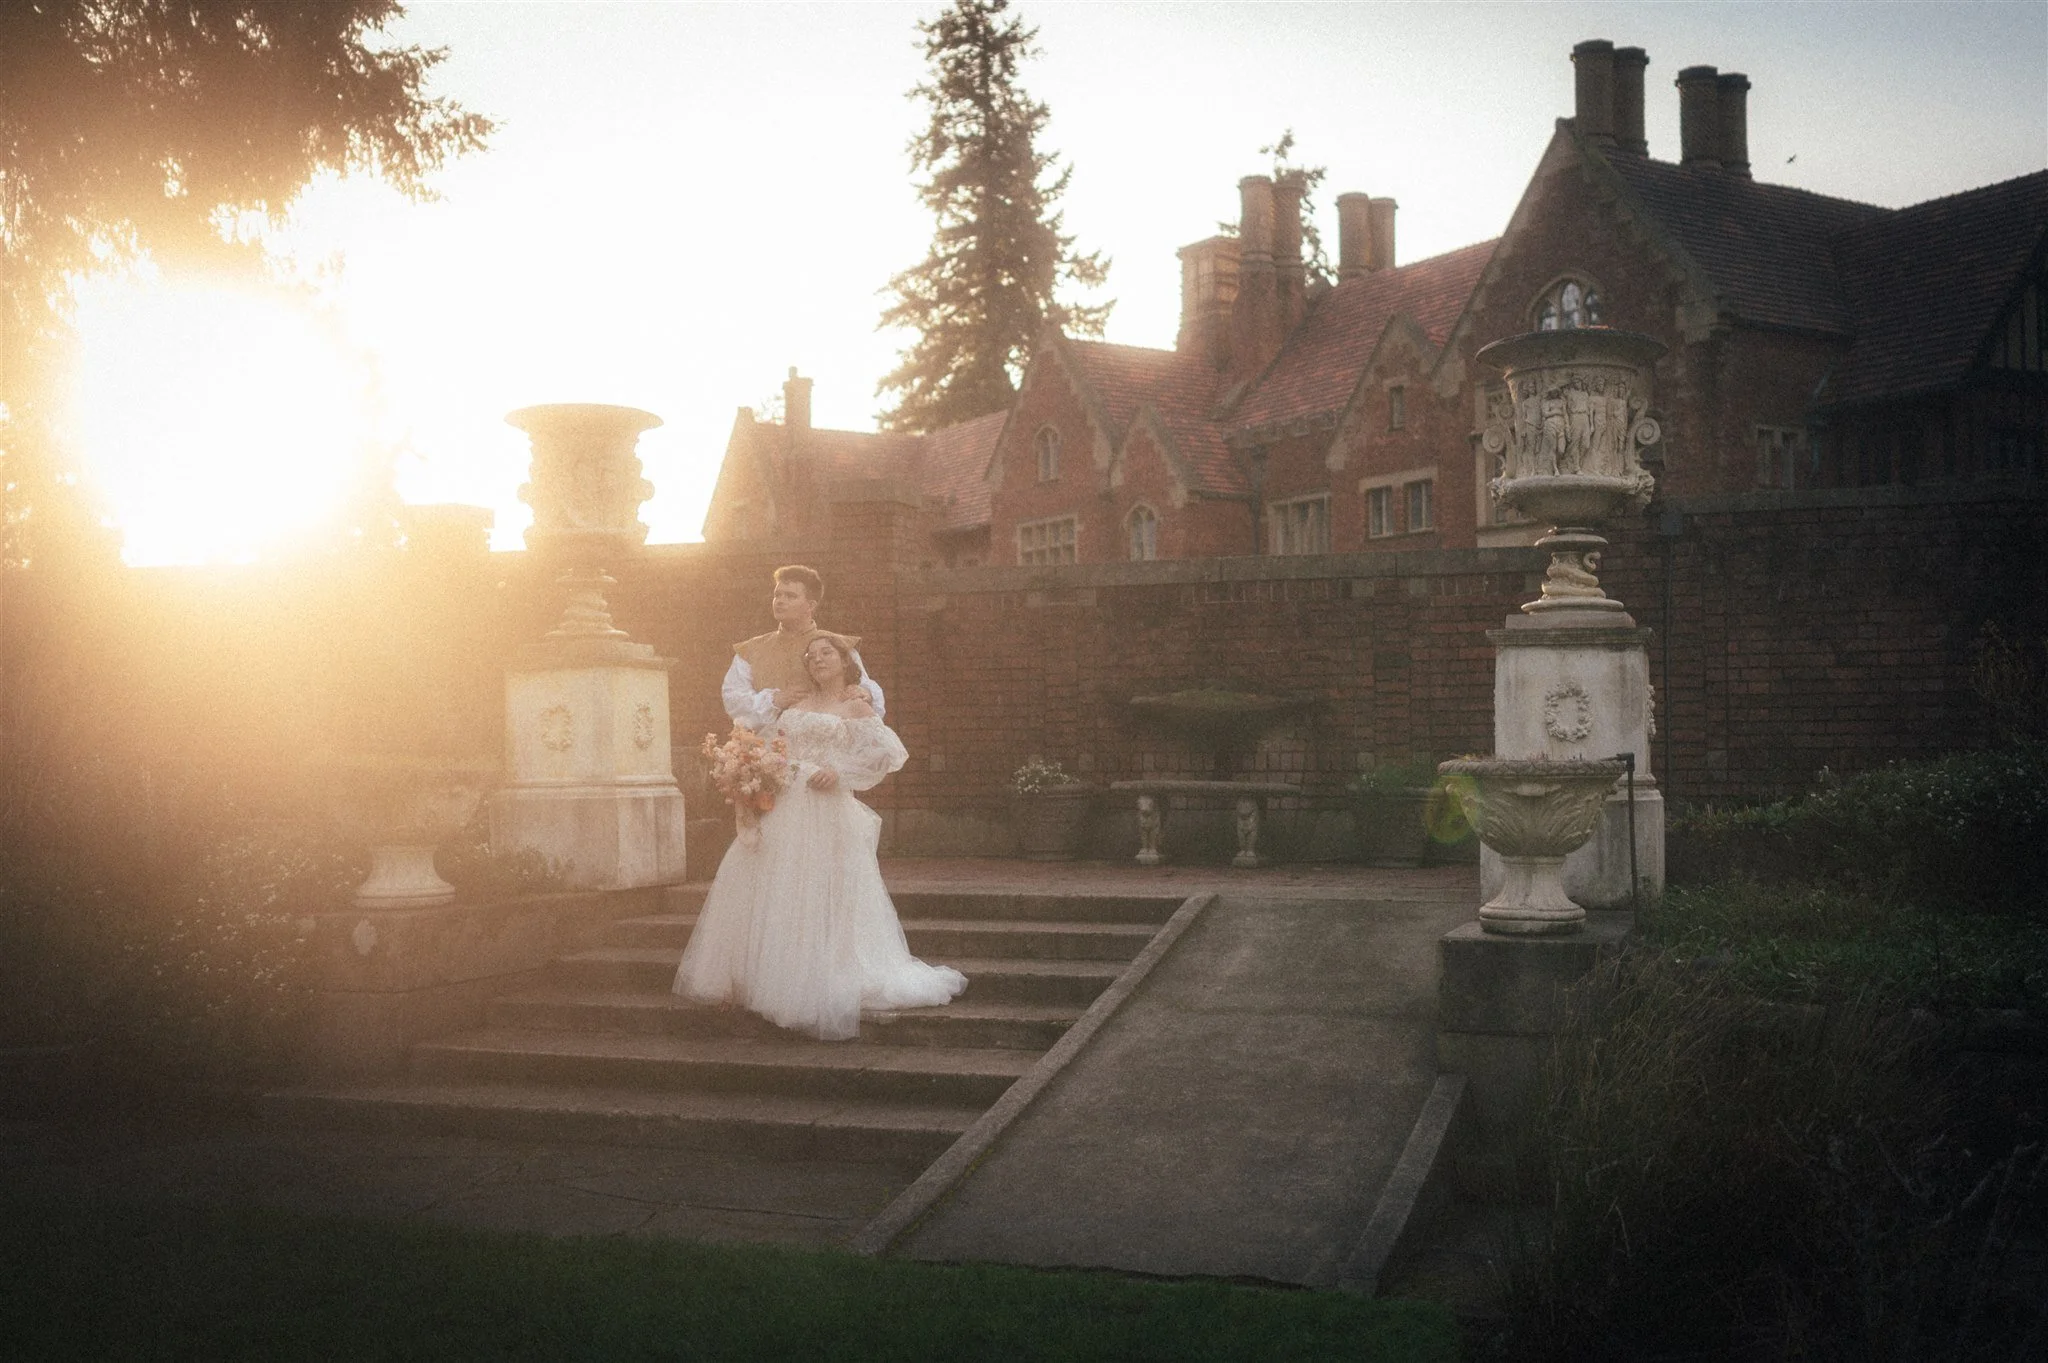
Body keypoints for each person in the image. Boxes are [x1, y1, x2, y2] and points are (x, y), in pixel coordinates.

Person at [676, 632, 965, 1039]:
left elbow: (887, 754)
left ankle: (821, 976)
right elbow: (774, 746)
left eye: (826, 653)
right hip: (785, 804)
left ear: (846, 661)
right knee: (776, 888)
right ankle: (767, 977)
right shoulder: (797, 703)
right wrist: (756, 770)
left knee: (822, 890)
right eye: (811, 656)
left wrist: (841, 773)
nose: (817, 660)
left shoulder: (855, 704)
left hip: (826, 808)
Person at [722, 564, 884, 732]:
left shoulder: (837, 645)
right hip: (765, 749)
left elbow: (863, 686)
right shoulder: (751, 649)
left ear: (811, 605)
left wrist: (865, 693)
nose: (780, 601)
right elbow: (734, 700)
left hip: (822, 746)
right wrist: (775, 700)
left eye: (791, 596)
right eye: (777, 595)